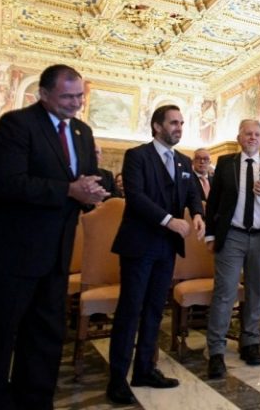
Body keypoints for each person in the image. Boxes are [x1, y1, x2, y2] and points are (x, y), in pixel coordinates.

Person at [0, 64, 108, 410]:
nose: (76, 103)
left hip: (56, 255)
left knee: (45, 338)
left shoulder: (83, 132)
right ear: (43, 94)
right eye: (67, 96)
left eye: (80, 96)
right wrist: (70, 190)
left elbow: (86, 179)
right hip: (10, 254)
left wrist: (91, 192)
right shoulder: (16, 124)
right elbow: (7, 183)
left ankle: (35, 402)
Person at [106, 105, 205, 405]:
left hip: (166, 248)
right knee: (130, 310)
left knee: (153, 310)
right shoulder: (137, 156)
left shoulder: (183, 161)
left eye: (182, 123)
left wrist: (197, 214)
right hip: (139, 245)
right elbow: (136, 198)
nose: (179, 128)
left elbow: (192, 194)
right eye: (173, 123)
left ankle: (145, 370)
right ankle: (117, 379)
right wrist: (169, 220)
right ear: (157, 126)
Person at [204, 119, 260, 379]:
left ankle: (250, 342)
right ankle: (216, 351)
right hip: (232, 236)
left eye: (257, 134)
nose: (252, 138)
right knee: (225, 293)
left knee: (255, 291)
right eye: (248, 134)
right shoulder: (226, 163)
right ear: (239, 138)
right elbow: (213, 201)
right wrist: (209, 233)